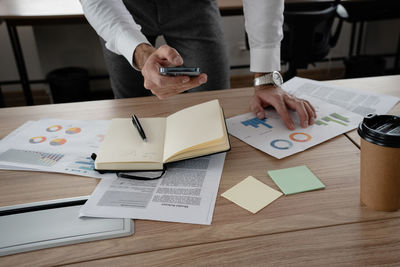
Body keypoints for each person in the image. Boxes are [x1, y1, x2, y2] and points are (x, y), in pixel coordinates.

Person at [80, 0, 316, 130]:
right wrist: (139, 52)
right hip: (122, 6)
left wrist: (266, 80)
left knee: (214, 106)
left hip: (194, 6)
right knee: (130, 110)